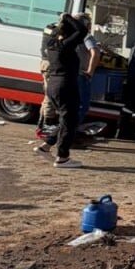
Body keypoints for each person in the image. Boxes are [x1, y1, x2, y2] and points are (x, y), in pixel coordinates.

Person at [34, 13, 88, 168]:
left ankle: (46, 146)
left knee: (67, 120)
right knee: (70, 121)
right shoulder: (65, 45)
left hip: (54, 84)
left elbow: (73, 31)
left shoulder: (52, 43)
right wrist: (68, 18)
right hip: (65, 85)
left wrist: (64, 22)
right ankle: (62, 157)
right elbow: (82, 31)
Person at [75, 14, 100, 120]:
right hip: (81, 74)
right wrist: (90, 71)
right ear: (87, 24)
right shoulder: (86, 36)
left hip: (69, 74)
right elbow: (95, 53)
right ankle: (73, 129)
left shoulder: (69, 35)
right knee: (82, 105)